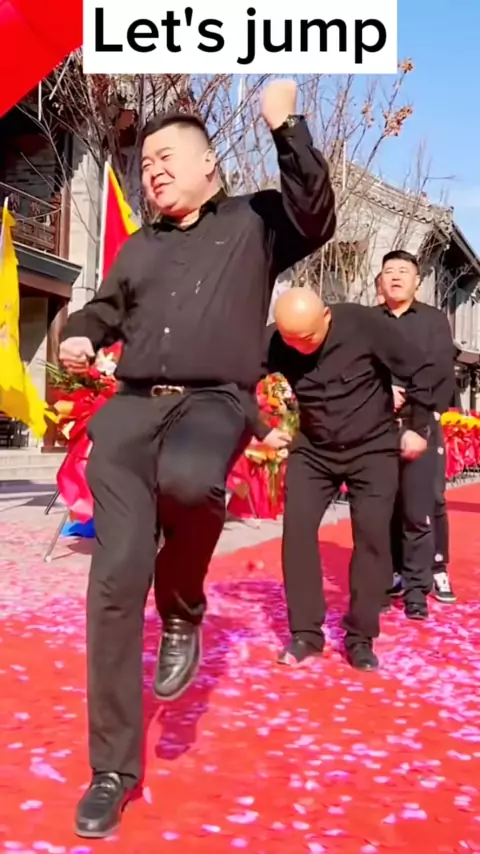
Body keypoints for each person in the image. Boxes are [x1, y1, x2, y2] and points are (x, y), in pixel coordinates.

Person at [58, 80, 336, 839]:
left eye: (167, 157)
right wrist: (81, 331)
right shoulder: (140, 247)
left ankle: (182, 607)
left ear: (209, 164)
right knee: (113, 586)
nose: (152, 170)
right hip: (130, 412)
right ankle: (111, 771)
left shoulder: (255, 221)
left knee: (189, 480)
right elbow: (104, 308)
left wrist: (287, 126)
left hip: (214, 402)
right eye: (145, 162)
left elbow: (316, 211)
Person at [257, 287, 435, 672]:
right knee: (297, 532)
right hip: (313, 448)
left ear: (326, 317)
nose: (300, 348)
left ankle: (360, 637)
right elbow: (234, 381)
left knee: (371, 537)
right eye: (291, 341)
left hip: (372, 447)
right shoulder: (277, 339)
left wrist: (418, 427)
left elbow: (422, 370)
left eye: (307, 338)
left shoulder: (363, 323)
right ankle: (306, 634)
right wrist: (260, 429)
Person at [376, 250, 456, 617]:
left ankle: (430, 573)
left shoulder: (433, 320)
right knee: (387, 502)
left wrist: (415, 402)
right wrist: (382, 392)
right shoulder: (368, 320)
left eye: (403, 271)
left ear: (417, 281)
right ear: (381, 279)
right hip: (378, 423)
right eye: (389, 271)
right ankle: (395, 572)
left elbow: (439, 369)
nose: (395, 277)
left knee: (426, 502)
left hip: (421, 420)